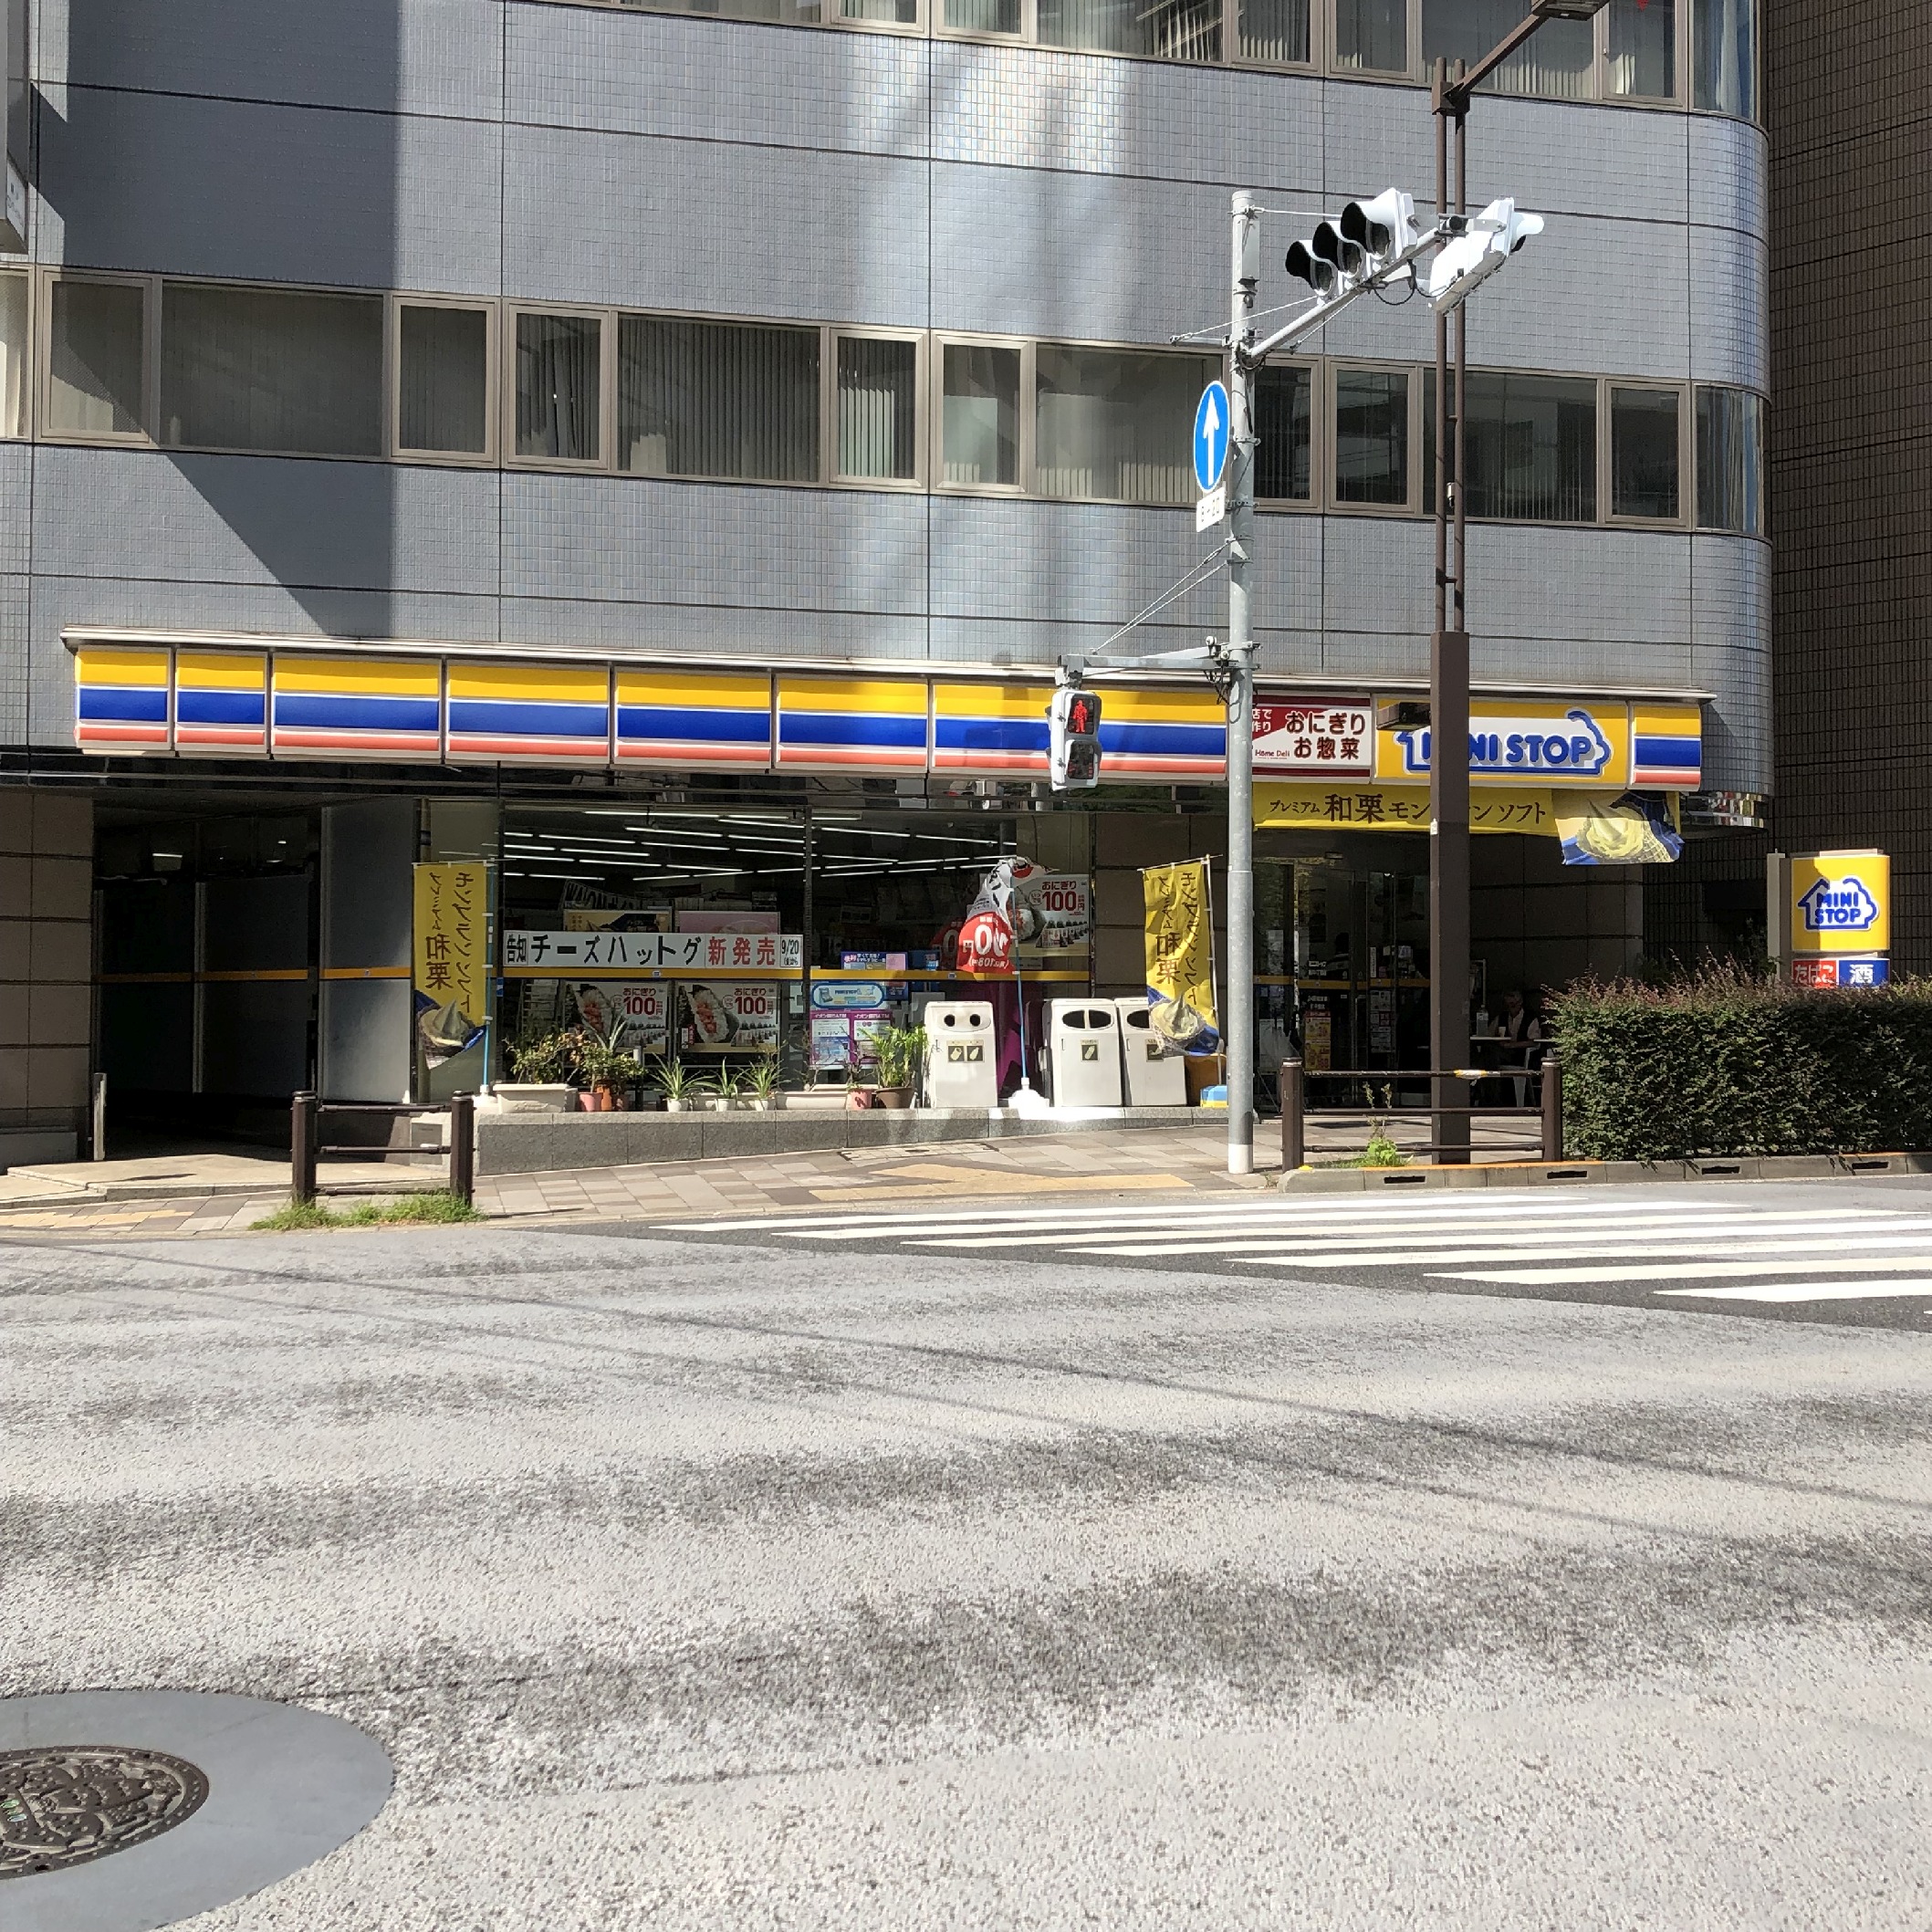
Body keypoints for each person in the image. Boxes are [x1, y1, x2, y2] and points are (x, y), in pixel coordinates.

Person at [1499, 988, 1543, 1108]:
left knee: (1490, 1060)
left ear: (1520, 1002)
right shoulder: (1502, 1017)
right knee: (1490, 1056)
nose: (1511, 1008)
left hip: (1521, 1057)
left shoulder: (1530, 1018)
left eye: (1513, 1004)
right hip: (1503, 1054)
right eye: (1508, 1005)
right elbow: (1488, 1033)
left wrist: (1513, 1045)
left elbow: (1534, 1042)